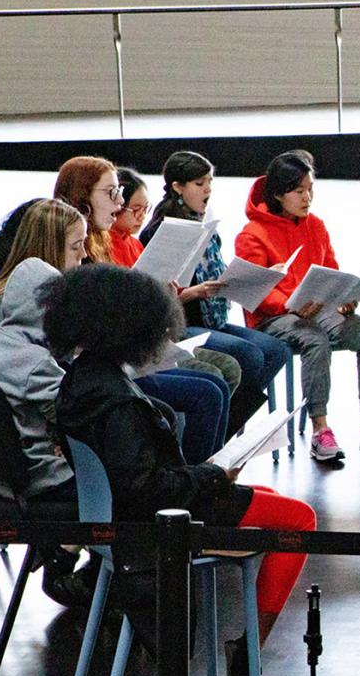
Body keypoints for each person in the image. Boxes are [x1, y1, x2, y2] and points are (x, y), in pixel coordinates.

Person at [46, 263, 317, 676]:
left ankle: (248, 646)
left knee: (266, 499)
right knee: (299, 519)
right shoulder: (116, 401)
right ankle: (250, 648)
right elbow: (146, 488)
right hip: (156, 523)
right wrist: (213, 473)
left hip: (120, 516)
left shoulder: (84, 379)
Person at [55, 155, 237, 457]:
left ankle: (206, 473)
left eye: (120, 194)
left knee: (219, 380)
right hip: (106, 370)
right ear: (82, 195)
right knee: (209, 389)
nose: (119, 202)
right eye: (111, 193)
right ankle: (194, 483)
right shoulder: (81, 250)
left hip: (122, 358)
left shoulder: (100, 241)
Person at [236, 149, 360, 462]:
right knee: (314, 339)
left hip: (317, 310)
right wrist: (290, 306)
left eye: (311, 189)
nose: (307, 197)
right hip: (272, 318)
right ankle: (320, 430)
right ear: (278, 193)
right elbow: (254, 292)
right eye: (299, 191)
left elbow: (331, 269)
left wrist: (343, 298)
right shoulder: (253, 234)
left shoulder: (316, 225)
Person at [140, 151, 292, 435]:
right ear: (178, 187)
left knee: (275, 350)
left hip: (210, 315)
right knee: (247, 354)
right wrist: (194, 292)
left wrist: (246, 280)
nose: (208, 189)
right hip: (181, 322)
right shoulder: (161, 230)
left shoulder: (205, 224)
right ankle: (220, 434)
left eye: (210, 181)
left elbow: (216, 272)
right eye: (199, 183)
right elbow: (162, 295)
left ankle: (228, 424)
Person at [0, 259, 91, 607]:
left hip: (4, 480)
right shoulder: (33, 363)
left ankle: (67, 556)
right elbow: (80, 411)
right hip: (41, 481)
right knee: (129, 489)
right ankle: (88, 578)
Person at [0, 198, 85, 341]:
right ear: (48, 248)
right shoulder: (0, 308)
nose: (84, 254)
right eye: (76, 246)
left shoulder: (59, 295)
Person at [106, 167, 148, 267]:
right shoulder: (98, 245)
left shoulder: (136, 245)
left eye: (145, 209)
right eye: (136, 210)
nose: (142, 217)